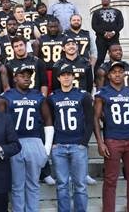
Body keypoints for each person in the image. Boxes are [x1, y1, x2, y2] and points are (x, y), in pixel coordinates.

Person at [93, 61, 129, 212]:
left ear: (124, 74)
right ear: (109, 75)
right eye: (114, 72)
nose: (117, 74)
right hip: (112, 140)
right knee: (110, 180)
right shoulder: (102, 93)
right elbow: (95, 118)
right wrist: (100, 142)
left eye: (120, 71)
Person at [0, 66, 54, 212]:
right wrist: (3, 146)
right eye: (22, 75)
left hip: (34, 140)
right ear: (15, 78)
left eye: (29, 75)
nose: (26, 77)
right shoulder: (6, 97)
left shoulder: (38, 96)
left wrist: (46, 149)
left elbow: (48, 121)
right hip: (14, 143)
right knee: (17, 184)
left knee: (33, 184)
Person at [47, 64, 94, 212]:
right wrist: (53, 142)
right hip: (59, 146)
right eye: (63, 74)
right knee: (62, 184)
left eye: (69, 74)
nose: (66, 77)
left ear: (73, 77)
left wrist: (83, 142)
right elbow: (49, 121)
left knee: (80, 184)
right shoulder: (52, 97)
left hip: (77, 145)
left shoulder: (83, 95)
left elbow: (90, 120)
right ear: (58, 78)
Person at [91, 0, 124, 71]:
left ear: (110, 0)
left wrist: (113, 32)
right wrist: (104, 33)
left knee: (116, 56)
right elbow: (94, 26)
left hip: (114, 39)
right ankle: (97, 79)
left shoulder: (117, 12)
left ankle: (118, 73)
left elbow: (121, 24)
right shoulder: (96, 12)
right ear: (101, 1)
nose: (105, 0)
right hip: (101, 39)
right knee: (99, 58)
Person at [33, 18, 66, 94]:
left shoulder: (64, 38)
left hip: (60, 70)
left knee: (60, 92)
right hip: (46, 70)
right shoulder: (41, 39)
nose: (53, 29)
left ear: (59, 26)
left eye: (55, 26)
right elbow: (35, 58)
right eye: (51, 27)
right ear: (47, 27)